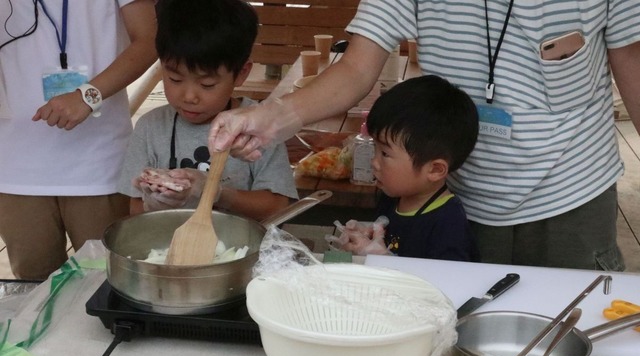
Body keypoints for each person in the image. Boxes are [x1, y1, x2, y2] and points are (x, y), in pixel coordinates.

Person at [208, 1, 640, 271]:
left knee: (574, 338)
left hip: (574, 195)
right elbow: (357, 67)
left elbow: (633, 69)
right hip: (461, 195)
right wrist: (272, 117)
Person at [0, 0, 157, 280]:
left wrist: (88, 95)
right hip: (15, 165)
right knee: (34, 291)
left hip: (99, 161)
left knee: (107, 283)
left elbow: (149, 41)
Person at [117, 0, 298, 222]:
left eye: (207, 84)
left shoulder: (258, 125)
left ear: (241, 73)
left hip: (241, 251)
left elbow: (278, 206)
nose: (189, 96)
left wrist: (217, 194)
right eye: (174, 79)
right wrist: (153, 204)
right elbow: (134, 206)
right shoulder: (151, 127)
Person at [328, 75, 480, 261]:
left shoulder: (447, 223)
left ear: (434, 170)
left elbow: (446, 282)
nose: (374, 162)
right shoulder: (393, 197)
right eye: (375, 149)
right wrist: (367, 235)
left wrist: (384, 257)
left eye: (385, 153)